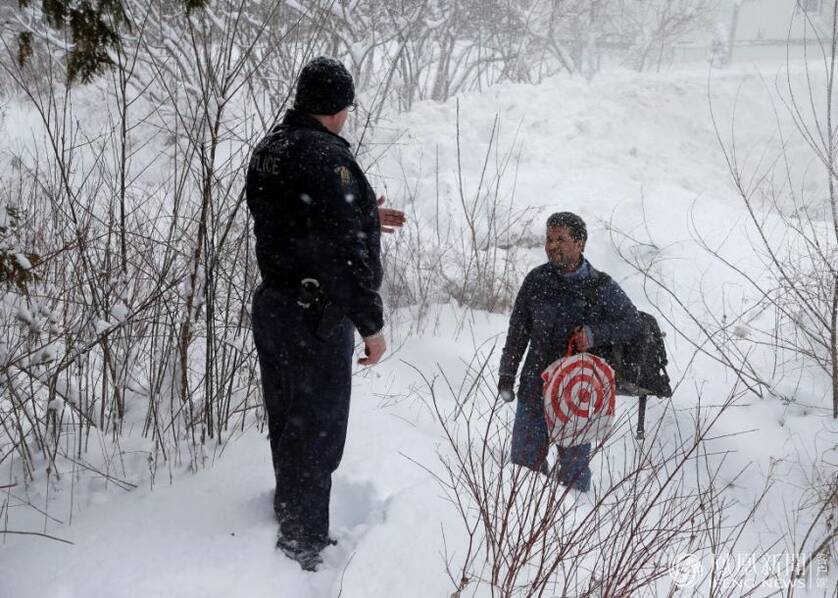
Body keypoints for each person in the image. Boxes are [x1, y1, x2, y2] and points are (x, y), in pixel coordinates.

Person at [245, 57, 405, 571]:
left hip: (273, 305)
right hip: (315, 314)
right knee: (318, 428)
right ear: (339, 108)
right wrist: (372, 324)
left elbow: (291, 218)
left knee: (287, 417)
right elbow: (345, 254)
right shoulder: (328, 158)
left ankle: (291, 511)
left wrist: (358, 209)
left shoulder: (269, 149)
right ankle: (304, 543)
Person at [497, 212, 641, 491]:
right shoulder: (536, 281)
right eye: (549, 239)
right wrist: (507, 373)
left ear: (580, 243)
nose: (552, 246)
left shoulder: (600, 286)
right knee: (524, 472)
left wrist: (594, 333)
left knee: (573, 477)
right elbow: (517, 333)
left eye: (560, 239)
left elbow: (632, 323)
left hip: (577, 393)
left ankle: (573, 524)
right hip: (534, 386)